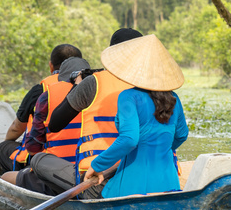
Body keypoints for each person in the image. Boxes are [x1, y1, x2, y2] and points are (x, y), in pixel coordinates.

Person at [14, 28, 142, 197]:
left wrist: (77, 86)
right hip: (144, 176)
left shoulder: (93, 83)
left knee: (38, 160)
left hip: (97, 180)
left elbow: (55, 123)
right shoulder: (160, 90)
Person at [81, 34, 188, 198]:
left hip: (131, 188)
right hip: (170, 185)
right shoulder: (174, 98)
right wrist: (161, 149)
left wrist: (97, 165)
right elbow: (181, 135)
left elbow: (130, 139)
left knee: (86, 189)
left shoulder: (128, 96)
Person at [0, 43, 83, 172]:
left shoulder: (41, 90)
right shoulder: (92, 87)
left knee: (4, 147)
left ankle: (20, 177)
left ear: (51, 66)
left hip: (47, 161)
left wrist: (8, 141)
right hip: (85, 157)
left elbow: (16, 128)